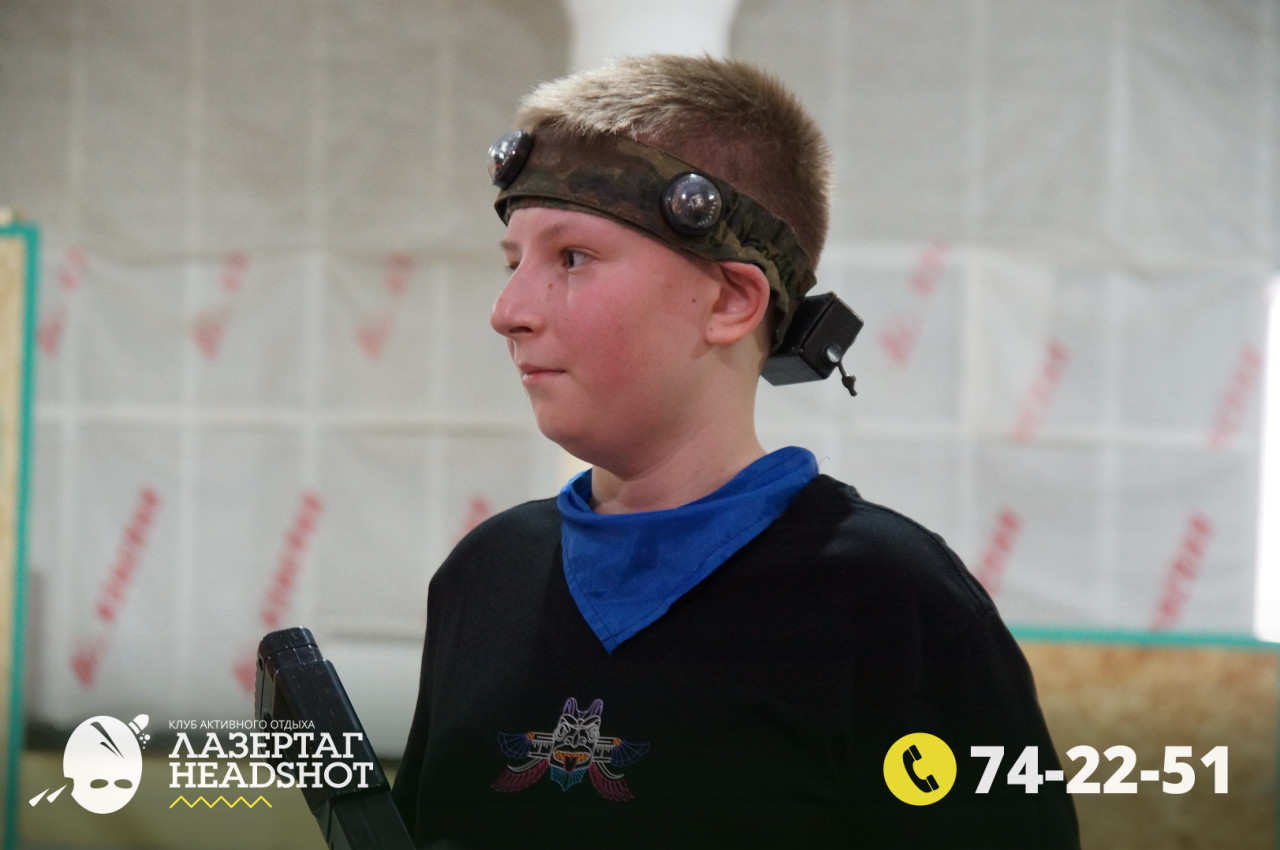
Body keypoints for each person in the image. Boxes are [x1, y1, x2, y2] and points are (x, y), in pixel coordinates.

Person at [392, 54, 1079, 849]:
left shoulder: (891, 602)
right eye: (514, 263)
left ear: (730, 300)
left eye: (571, 258)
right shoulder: (484, 575)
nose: (507, 310)